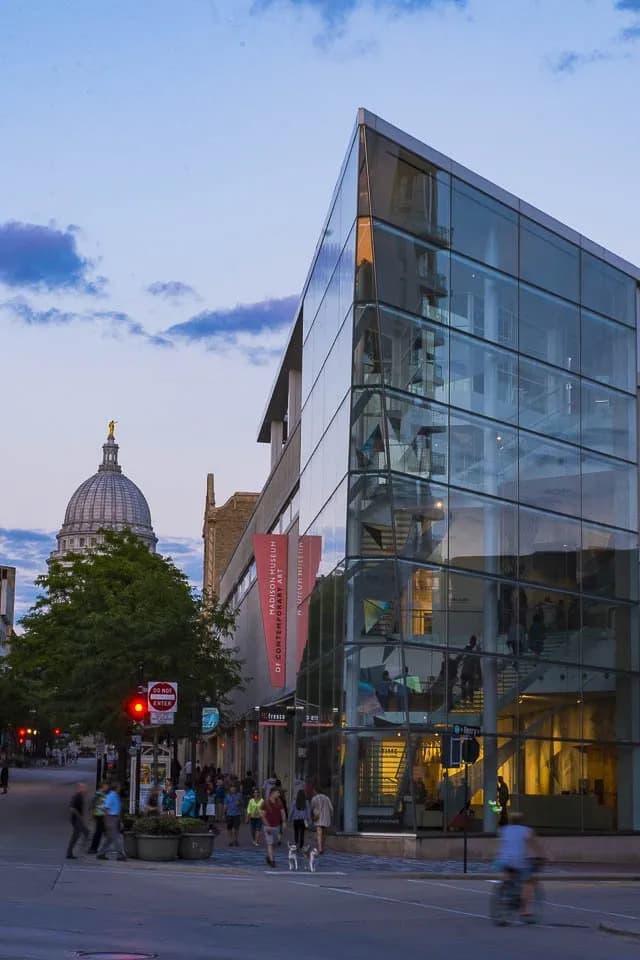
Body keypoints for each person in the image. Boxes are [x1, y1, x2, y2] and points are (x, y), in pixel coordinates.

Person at [495, 811, 543, 919]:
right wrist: (541, 856)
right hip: (519, 860)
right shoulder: (527, 831)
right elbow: (535, 845)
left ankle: (505, 890)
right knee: (528, 881)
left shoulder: (504, 830)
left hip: (503, 860)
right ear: (522, 821)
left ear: (510, 821)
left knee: (508, 874)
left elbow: (503, 844)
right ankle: (525, 910)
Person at [97, 782, 126, 861]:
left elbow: (118, 809)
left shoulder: (116, 796)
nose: (120, 789)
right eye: (119, 787)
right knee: (116, 837)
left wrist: (120, 821)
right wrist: (107, 820)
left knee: (110, 839)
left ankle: (101, 853)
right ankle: (121, 854)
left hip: (115, 818)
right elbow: (106, 808)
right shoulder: (111, 796)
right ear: (116, 788)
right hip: (111, 818)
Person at [262, 787, 286, 868]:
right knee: (270, 843)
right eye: (278, 793)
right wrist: (267, 825)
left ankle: (269, 856)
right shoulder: (266, 802)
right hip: (268, 827)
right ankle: (272, 861)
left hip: (276, 826)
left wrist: (284, 822)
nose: (279, 794)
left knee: (274, 844)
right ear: (273, 793)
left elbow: (282, 812)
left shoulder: (279, 802)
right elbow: (263, 815)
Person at [66, 782, 89, 859]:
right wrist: (79, 816)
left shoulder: (80, 796)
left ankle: (82, 850)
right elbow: (72, 808)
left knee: (86, 833)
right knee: (76, 836)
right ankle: (71, 852)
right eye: (84, 787)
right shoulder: (77, 796)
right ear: (80, 788)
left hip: (78, 820)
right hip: (77, 820)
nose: (85, 789)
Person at [310, 787, 333, 855]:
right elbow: (331, 808)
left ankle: (320, 849)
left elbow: (311, 807)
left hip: (318, 818)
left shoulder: (314, 798)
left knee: (319, 833)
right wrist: (331, 815)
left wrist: (312, 814)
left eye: (314, 791)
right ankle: (322, 846)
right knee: (324, 834)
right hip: (326, 818)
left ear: (316, 791)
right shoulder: (327, 798)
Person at [88, 780, 108, 854]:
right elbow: (93, 804)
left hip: (102, 815)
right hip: (99, 815)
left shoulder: (103, 793)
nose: (107, 787)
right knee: (99, 832)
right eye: (106, 786)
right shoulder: (99, 793)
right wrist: (92, 814)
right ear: (103, 786)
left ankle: (95, 848)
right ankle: (93, 848)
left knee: (100, 832)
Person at [460, 636, 482, 701]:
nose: (472, 643)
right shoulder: (469, 649)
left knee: (467, 685)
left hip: (468, 671)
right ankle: (468, 697)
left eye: (473, 641)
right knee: (467, 685)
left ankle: (467, 697)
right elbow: (477, 661)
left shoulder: (470, 650)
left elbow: (477, 661)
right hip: (467, 671)